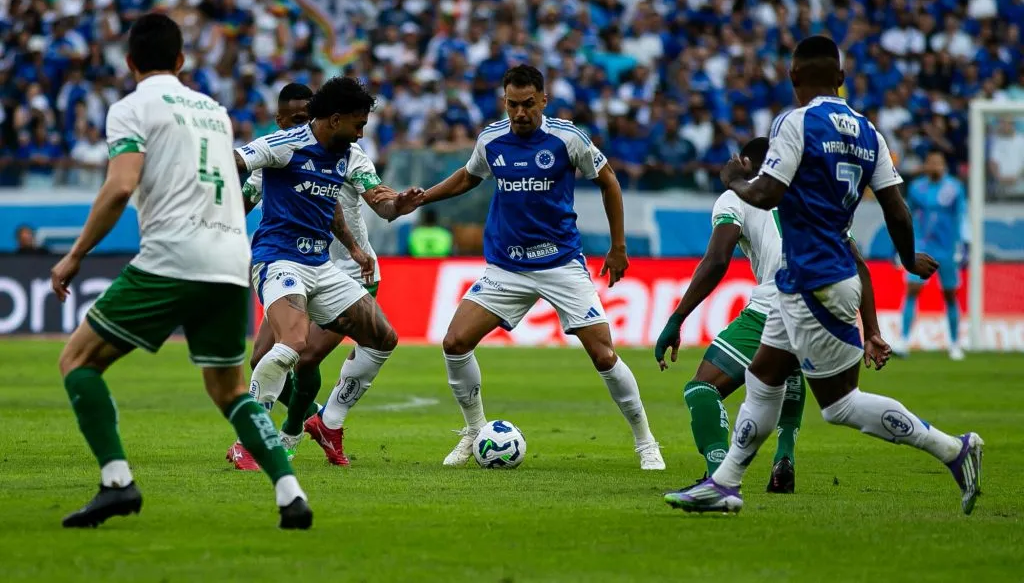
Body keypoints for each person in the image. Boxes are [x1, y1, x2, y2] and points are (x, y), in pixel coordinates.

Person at [666, 35, 982, 515]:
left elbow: (768, 192)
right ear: (841, 78)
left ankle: (953, 450)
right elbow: (895, 207)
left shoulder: (794, 122)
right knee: (764, 377)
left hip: (816, 279)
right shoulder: (868, 131)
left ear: (794, 79)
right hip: (809, 276)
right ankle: (724, 484)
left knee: (840, 406)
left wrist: (733, 180)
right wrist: (907, 256)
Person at [49, 13, 312, 529]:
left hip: (173, 256)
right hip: (231, 259)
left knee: (77, 360)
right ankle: (290, 494)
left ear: (129, 63)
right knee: (229, 390)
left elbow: (122, 185)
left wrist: (76, 252)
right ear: (181, 60)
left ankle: (117, 483)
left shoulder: (130, 108)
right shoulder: (214, 110)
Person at [409, 65, 665, 470]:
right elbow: (467, 178)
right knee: (455, 342)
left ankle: (646, 442)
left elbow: (609, 181)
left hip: (560, 263)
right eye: (512, 104)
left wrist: (618, 246)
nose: (520, 112)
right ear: (504, 101)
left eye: (528, 104)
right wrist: (422, 198)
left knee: (602, 354)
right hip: (507, 268)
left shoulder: (568, 139)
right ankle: (474, 431)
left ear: (543, 101)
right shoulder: (491, 139)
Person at [228, 84, 416, 470]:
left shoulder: (346, 155)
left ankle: (327, 420)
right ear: (335, 120)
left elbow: (334, 208)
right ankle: (254, 440)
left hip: (323, 267)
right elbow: (237, 162)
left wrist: (393, 209)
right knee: (294, 345)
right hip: (280, 261)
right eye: (358, 125)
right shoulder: (284, 145)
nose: (362, 133)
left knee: (384, 337)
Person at [653, 137, 807, 492]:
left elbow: (718, 259)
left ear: (748, 165)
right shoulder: (811, 194)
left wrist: (677, 318)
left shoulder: (737, 194)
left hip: (777, 302)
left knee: (701, 389)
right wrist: (870, 326)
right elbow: (854, 255)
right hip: (828, 306)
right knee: (788, 368)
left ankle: (719, 474)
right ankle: (785, 455)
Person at [894, 149, 967, 360]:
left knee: (950, 295)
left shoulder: (954, 188)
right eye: (931, 162)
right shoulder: (917, 188)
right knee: (912, 290)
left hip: (947, 248)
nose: (935, 166)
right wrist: (903, 246)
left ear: (943, 165)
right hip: (922, 248)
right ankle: (903, 341)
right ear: (926, 165)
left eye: (938, 162)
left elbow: (961, 215)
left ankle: (954, 344)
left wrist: (962, 245)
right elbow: (907, 216)